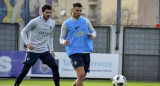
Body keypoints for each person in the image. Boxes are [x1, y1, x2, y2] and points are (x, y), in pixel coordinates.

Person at [14, 4, 60, 86]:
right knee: (25, 70)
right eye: (47, 12)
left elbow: (50, 37)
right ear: (42, 12)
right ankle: (16, 85)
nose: (48, 14)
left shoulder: (52, 23)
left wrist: (51, 50)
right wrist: (28, 43)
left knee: (55, 67)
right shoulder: (34, 21)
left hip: (44, 51)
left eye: (50, 12)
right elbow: (23, 32)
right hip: (33, 51)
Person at [60, 2, 96, 86]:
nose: (79, 12)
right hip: (74, 52)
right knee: (80, 74)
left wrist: (93, 35)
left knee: (82, 77)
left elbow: (93, 31)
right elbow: (61, 38)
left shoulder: (85, 21)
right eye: (77, 10)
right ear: (72, 10)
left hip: (86, 51)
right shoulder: (66, 24)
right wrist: (63, 42)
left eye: (80, 11)